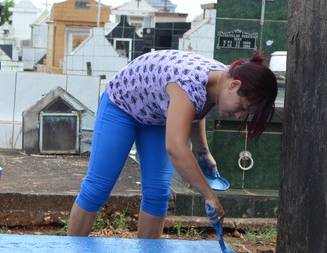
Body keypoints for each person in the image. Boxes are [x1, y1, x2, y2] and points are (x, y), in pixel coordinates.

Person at [67, 49, 277, 238]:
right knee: (98, 187)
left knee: (158, 193)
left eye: (245, 112)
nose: (239, 114)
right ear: (235, 85)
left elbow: (195, 111)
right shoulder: (189, 82)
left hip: (157, 115)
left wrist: (203, 151)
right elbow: (176, 148)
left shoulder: (222, 80)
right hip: (122, 106)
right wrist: (209, 196)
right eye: (242, 106)